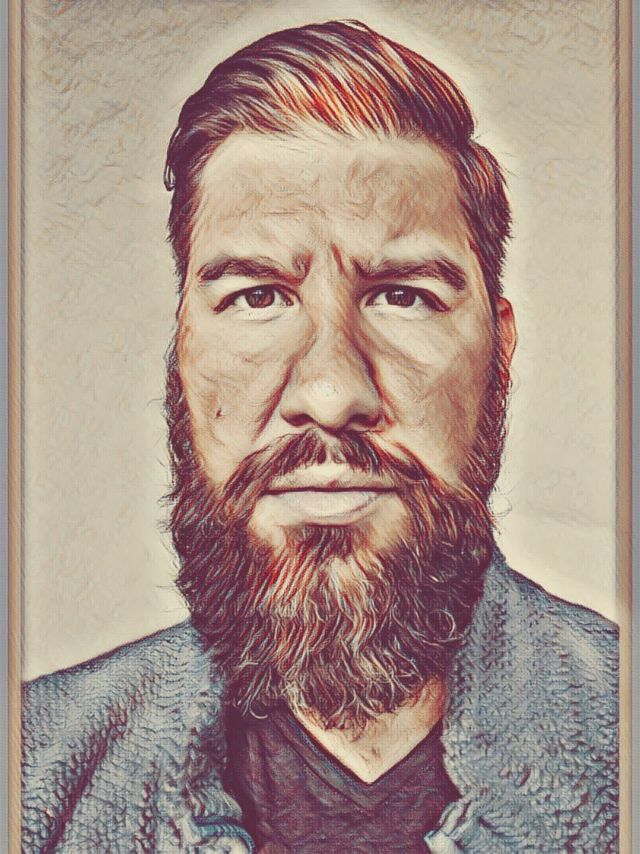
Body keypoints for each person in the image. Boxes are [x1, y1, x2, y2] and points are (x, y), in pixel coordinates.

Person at [22, 20, 618, 854]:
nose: (332, 394)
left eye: (404, 296)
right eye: (257, 296)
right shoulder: (30, 771)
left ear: (501, 351)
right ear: (181, 351)